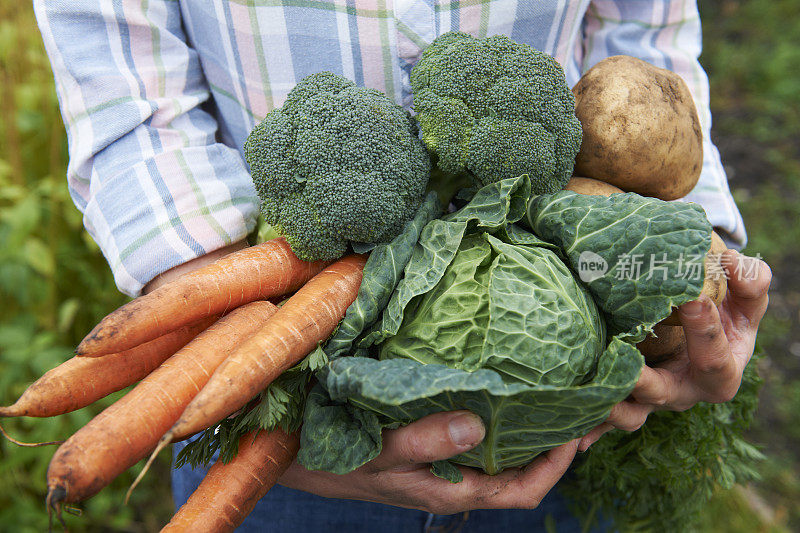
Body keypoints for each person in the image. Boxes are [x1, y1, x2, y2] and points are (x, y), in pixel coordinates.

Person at [34, 1, 771, 531]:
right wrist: (256, 371)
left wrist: (681, 248)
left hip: (576, 431)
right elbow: (127, 92)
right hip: (274, 431)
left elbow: (648, 33)